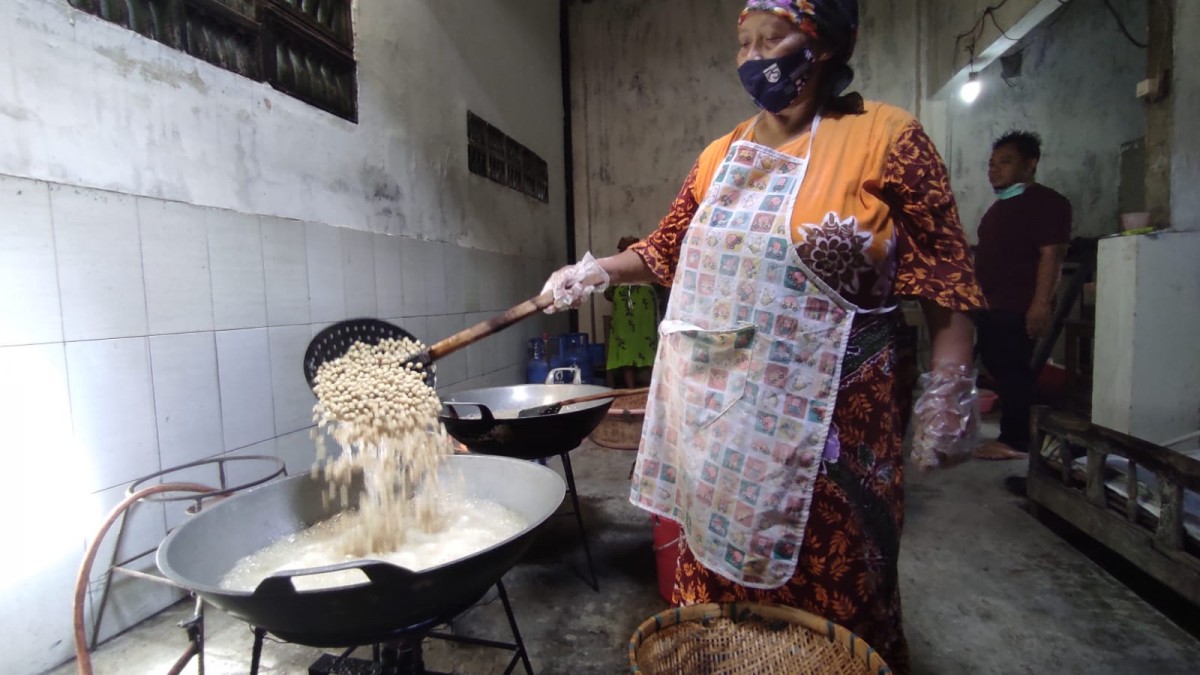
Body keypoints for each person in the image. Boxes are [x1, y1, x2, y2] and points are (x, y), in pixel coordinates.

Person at [541, 2, 985, 671]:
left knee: (834, 590)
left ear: (824, 45)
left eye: (772, 40)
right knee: (722, 587)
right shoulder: (721, 155)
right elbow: (665, 248)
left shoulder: (889, 138)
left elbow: (945, 274)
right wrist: (595, 270)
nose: (753, 58)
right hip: (724, 423)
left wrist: (949, 386)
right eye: (743, 43)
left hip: (838, 428)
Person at [973, 131, 1071, 461]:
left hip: (1017, 304)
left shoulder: (1046, 202)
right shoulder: (998, 209)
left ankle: (1015, 441)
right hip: (991, 303)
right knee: (998, 363)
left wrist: (1041, 304)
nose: (994, 169)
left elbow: (1052, 254)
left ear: (1030, 164)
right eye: (991, 163)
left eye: (1005, 162)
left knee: (1014, 369)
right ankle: (1016, 433)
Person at [604, 237, 660, 387]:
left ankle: (630, 388)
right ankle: (653, 386)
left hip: (625, 307)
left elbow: (608, 292)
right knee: (649, 343)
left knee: (625, 346)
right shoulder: (649, 262)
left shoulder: (618, 266)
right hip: (645, 306)